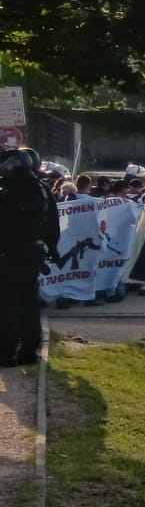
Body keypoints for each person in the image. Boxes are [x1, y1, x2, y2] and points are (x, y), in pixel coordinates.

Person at [0, 149, 58, 366]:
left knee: (9, 303)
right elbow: (53, 222)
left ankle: (7, 351)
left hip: (13, 253)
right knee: (29, 301)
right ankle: (29, 350)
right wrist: (52, 247)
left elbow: (8, 225)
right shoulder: (41, 188)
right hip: (33, 252)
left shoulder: (14, 191)